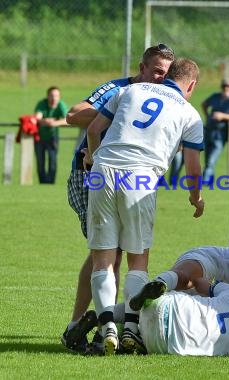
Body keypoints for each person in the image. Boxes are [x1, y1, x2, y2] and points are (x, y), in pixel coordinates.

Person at [85, 58, 205, 356]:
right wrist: (195, 196)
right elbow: (193, 165)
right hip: (140, 176)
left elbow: (94, 128)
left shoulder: (130, 91)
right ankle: (130, 329)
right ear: (191, 85)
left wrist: (92, 158)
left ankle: (105, 328)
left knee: (102, 259)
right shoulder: (189, 113)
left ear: (168, 76)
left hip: (104, 169)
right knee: (137, 260)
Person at [60, 44, 175, 354]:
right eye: (155, 71)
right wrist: (119, 111)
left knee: (114, 251)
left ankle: (98, 324)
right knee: (107, 252)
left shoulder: (165, 98)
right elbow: (73, 114)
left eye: (165, 73)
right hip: (91, 173)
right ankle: (80, 324)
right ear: (141, 67)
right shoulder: (118, 88)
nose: (159, 78)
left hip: (126, 178)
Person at [202, 78, 229, 182]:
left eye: (228, 86)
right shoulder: (215, 96)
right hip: (209, 130)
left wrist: (222, 116)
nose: (226, 88)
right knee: (207, 158)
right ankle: (209, 181)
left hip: (221, 133)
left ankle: (204, 181)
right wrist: (207, 115)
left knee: (212, 159)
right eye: (224, 86)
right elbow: (204, 104)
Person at [34, 86, 68, 184]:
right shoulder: (42, 104)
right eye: (51, 95)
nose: (54, 98)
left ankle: (50, 182)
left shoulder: (61, 105)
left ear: (59, 97)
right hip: (39, 137)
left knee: (52, 160)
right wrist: (46, 120)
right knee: (40, 161)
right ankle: (42, 182)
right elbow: (37, 118)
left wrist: (54, 123)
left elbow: (68, 119)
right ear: (47, 96)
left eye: (56, 96)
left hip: (53, 137)